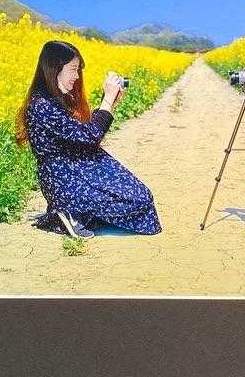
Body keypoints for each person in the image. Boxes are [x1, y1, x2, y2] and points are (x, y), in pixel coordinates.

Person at [15, 40, 162, 239]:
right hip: (64, 177)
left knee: (142, 199)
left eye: (78, 70)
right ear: (54, 68)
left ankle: (76, 212)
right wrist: (107, 101)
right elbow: (89, 136)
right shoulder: (42, 105)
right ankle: (68, 211)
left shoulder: (55, 98)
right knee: (138, 201)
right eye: (73, 69)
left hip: (79, 166)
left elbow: (81, 132)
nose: (77, 76)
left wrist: (109, 103)